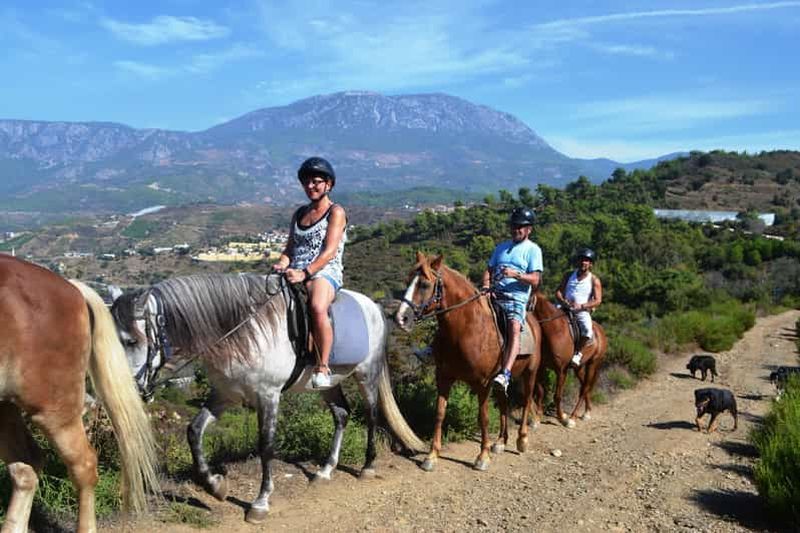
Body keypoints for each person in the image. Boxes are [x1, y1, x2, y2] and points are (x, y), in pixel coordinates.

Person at [272, 157, 347, 388]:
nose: (311, 187)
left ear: (328, 185)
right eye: (307, 183)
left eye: (316, 182)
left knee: (316, 306)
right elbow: (290, 249)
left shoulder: (336, 212)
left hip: (324, 270)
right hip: (296, 270)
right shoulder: (299, 214)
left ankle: (322, 366)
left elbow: (330, 251)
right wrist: (282, 263)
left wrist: (306, 273)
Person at [483, 206, 543, 395]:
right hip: (493, 294)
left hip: (515, 298)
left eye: (521, 226)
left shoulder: (533, 250)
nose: (516, 229)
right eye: (514, 226)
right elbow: (489, 270)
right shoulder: (500, 247)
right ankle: (433, 350)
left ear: (528, 229)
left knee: (514, 328)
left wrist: (516, 275)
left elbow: (535, 279)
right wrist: (486, 286)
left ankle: (506, 373)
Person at [555, 247, 602, 367]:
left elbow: (597, 300)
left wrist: (582, 306)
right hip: (563, 306)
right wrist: (564, 301)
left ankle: (579, 353)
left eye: (586, 260)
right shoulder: (569, 275)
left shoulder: (594, 280)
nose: (583, 262)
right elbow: (558, 292)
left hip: (581, 310)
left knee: (587, 329)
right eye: (581, 259)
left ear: (591, 263)